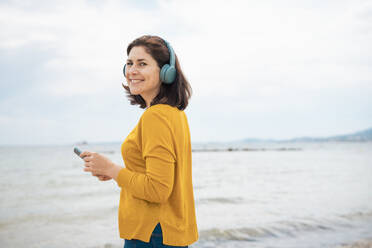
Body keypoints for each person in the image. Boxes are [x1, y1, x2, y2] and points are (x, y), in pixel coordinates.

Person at [80, 35, 199, 248]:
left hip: (152, 234)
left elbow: (157, 190)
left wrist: (112, 168)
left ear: (166, 72)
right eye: (129, 63)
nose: (132, 71)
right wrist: (113, 173)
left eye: (142, 64)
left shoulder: (155, 117)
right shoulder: (174, 114)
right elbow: (158, 178)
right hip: (167, 232)